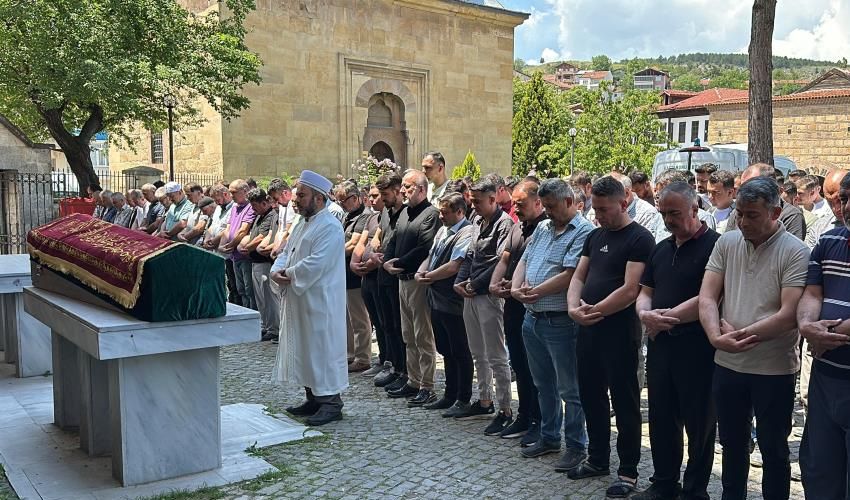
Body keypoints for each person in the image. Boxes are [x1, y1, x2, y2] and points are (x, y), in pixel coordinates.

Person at [699, 177, 809, 500]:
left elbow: (789, 314)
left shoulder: (795, 251)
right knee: (732, 446)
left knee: (774, 450)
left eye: (752, 215)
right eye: (740, 214)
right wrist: (715, 336)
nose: (743, 222)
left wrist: (738, 335)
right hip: (728, 364)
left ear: (775, 212)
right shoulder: (727, 242)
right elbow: (706, 297)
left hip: (773, 369)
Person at [567, 175, 655, 498]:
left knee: (624, 400)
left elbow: (631, 289)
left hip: (619, 333)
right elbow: (579, 274)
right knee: (591, 395)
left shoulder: (639, 239)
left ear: (624, 202)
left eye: (604, 209)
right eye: (595, 209)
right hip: (588, 329)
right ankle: (597, 458)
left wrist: (595, 310)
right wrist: (573, 307)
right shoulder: (594, 236)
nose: (598, 215)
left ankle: (628, 470)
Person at [633, 182, 720, 500]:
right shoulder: (661, 248)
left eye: (675, 213)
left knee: (699, 423)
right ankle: (665, 481)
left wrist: (663, 318)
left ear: (695, 210)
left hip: (697, 347)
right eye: (664, 213)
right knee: (661, 416)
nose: (668, 219)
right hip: (661, 346)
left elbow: (711, 296)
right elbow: (644, 293)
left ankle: (695, 490)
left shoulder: (716, 247)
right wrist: (645, 316)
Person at [510, 179, 592, 473]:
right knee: (542, 383)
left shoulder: (584, 232)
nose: (547, 212)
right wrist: (517, 287)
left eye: (552, 207)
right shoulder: (544, 228)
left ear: (570, 201)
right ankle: (548, 436)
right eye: (544, 206)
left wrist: (536, 291)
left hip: (560, 321)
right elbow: (525, 259)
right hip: (532, 318)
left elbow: (572, 274)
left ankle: (575, 445)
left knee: (569, 388)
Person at [271, 170, 347, 427]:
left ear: (318, 197)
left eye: (302, 196)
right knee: (305, 349)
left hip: (320, 301)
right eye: (296, 195)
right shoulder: (302, 223)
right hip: (299, 298)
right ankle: (313, 397)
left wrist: (288, 273)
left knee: (321, 350)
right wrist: (276, 270)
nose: (296, 200)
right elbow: (287, 252)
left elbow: (317, 263)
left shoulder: (330, 227)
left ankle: (331, 403)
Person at [797, 171, 850, 498]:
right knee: (820, 466)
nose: (846, 207)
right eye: (845, 200)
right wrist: (806, 325)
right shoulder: (828, 243)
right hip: (826, 376)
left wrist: (831, 332)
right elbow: (812, 294)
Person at [453, 176, 515, 434]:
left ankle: (505, 408)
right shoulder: (478, 220)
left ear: (492, 199)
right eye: (472, 201)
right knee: (477, 351)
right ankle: (484, 399)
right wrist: (460, 280)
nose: (473, 206)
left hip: (489, 295)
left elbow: (499, 262)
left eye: (477, 202)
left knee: (496, 355)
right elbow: (471, 254)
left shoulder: (505, 224)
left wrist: (473, 284)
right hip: (472, 292)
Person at [489, 179, 546, 444]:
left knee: (537, 369)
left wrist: (514, 285)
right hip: (513, 303)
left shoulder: (545, 229)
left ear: (538, 202)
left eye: (521, 204)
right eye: (515, 203)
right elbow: (505, 258)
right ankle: (524, 414)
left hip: (533, 304)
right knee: (520, 365)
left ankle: (540, 419)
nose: (516, 208)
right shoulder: (517, 227)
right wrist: (494, 282)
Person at [383, 169, 440, 406]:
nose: (403, 191)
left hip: (417, 280)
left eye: (408, 187)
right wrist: (387, 260)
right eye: (403, 187)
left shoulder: (430, 214)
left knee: (422, 334)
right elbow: (394, 239)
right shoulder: (405, 212)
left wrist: (398, 262)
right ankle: (413, 380)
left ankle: (427, 385)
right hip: (400, 279)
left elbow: (425, 247)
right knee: (408, 333)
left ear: (422, 189)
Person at [415, 192, 474, 413]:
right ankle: (450, 394)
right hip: (436, 299)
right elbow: (431, 255)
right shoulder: (443, 230)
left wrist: (428, 276)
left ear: (459, 212)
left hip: (453, 301)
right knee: (445, 349)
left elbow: (454, 265)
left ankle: (463, 397)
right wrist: (422, 271)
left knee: (460, 349)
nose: (441, 216)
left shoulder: (466, 232)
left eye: (445, 212)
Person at [372, 173, 408, 392]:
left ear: (397, 191)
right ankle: (395, 366)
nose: (382, 199)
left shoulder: (406, 213)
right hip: (382, 274)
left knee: (399, 326)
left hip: (397, 276)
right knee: (387, 325)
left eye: (385, 194)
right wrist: (375, 248)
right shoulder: (386, 212)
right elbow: (380, 234)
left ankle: (405, 370)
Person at [350, 186, 388, 377]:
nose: (371, 200)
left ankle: (390, 361)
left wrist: (372, 263)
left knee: (385, 321)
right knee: (376, 320)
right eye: (370, 196)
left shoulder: (389, 216)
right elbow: (361, 242)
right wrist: (354, 262)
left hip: (380, 275)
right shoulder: (372, 217)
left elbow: (385, 246)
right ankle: (381, 360)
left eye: (375, 196)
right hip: (366, 276)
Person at [335, 181, 373, 372]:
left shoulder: (365, 217)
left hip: (355, 274)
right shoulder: (348, 216)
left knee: (359, 318)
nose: (341, 204)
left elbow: (353, 244)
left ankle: (363, 356)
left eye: (344, 200)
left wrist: (330, 255)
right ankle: (350, 353)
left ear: (356, 198)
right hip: (343, 273)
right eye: (339, 201)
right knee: (347, 317)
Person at [725, 163, 806, 241]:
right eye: (743, 187)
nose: (744, 223)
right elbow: (727, 245)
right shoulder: (736, 213)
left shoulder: (791, 216)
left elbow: (790, 251)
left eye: (752, 187)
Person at [240, 188, 279, 342]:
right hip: (255, 261)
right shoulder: (259, 216)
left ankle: (274, 328)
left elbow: (262, 236)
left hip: (264, 263)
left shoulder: (270, 216)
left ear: (264, 203)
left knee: (269, 298)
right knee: (261, 298)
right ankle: (266, 326)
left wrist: (246, 247)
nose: (253, 209)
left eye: (255, 205)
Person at [222, 179, 256, 310]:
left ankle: (252, 314)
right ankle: (244, 312)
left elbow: (243, 230)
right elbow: (228, 228)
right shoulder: (234, 207)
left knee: (249, 290)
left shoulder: (250, 207)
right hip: (234, 255)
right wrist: (223, 245)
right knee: (240, 289)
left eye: (234, 192)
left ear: (245, 191)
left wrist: (230, 245)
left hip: (244, 256)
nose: (231, 196)